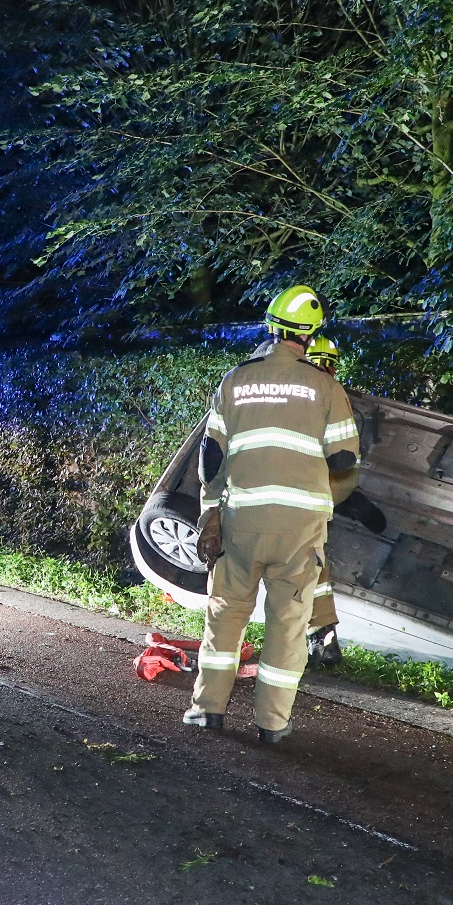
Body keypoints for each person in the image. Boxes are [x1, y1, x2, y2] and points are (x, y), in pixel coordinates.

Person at [187, 285, 359, 744]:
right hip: (299, 531)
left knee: (226, 615)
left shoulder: (235, 380)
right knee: (287, 626)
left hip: (243, 521)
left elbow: (210, 462)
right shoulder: (325, 386)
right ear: (311, 336)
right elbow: (344, 459)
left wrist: (210, 516)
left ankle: (207, 710)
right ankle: (272, 724)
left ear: (271, 327)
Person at [301, 335, 350, 668]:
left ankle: (318, 643)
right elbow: (344, 456)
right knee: (312, 570)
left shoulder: (291, 390)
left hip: (279, 500)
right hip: (310, 502)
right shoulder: (331, 394)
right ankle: (323, 642)